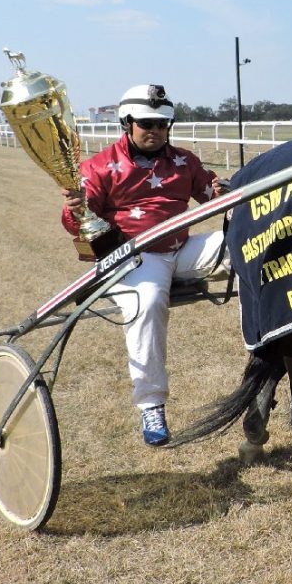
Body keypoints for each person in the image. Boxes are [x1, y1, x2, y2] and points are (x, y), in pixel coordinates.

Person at [61, 84, 225, 446]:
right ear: (126, 123)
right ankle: (151, 404)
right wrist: (76, 210)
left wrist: (225, 189)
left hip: (182, 249)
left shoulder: (183, 160)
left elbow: (211, 194)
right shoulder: (100, 167)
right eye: (145, 123)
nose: (154, 131)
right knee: (149, 302)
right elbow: (76, 224)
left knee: (245, 248)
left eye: (162, 124)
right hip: (137, 258)